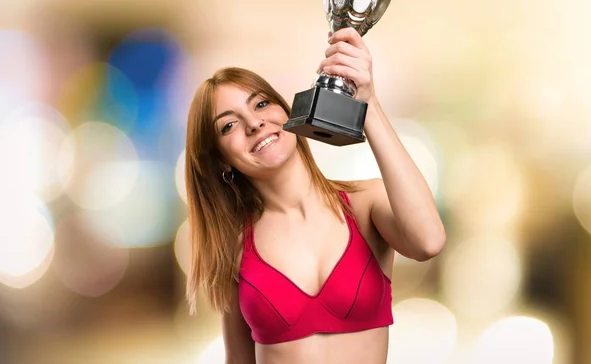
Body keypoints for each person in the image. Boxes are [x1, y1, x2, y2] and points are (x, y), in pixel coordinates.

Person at [184, 27, 446, 364]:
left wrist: (369, 105)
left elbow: (428, 242)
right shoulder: (234, 245)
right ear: (221, 158)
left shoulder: (366, 204)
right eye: (228, 125)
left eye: (261, 104)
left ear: (287, 111)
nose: (254, 123)